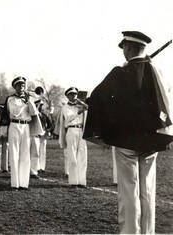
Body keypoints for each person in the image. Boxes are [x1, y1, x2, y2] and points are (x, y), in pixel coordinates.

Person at [83, 31, 173, 234]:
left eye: (124, 47)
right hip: (152, 140)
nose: (123, 51)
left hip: (126, 142)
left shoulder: (119, 73)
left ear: (130, 48)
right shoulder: (158, 72)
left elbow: (97, 97)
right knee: (147, 191)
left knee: (129, 192)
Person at [0, 77, 44, 190]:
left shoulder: (29, 99)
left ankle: (24, 183)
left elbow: (34, 113)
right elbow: (5, 115)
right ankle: (15, 183)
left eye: (23, 85)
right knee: (14, 154)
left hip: (26, 126)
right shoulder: (10, 99)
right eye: (19, 85)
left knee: (25, 154)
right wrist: (3, 132)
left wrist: (29, 101)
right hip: (14, 125)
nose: (21, 87)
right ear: (15, 87)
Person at [57, 87, 88, 187]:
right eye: (71, 94)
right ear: (67, 96)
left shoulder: (80, 105)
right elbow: (68, 118)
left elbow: (89, 109)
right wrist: (79, 111)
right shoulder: (65, 107)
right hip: (71, 130)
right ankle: (74, 181)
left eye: (75, 94)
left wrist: (83, 105)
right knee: (73, 157)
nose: (74, 96)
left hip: (81, 131)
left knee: (82, 157)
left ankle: (82, 181)